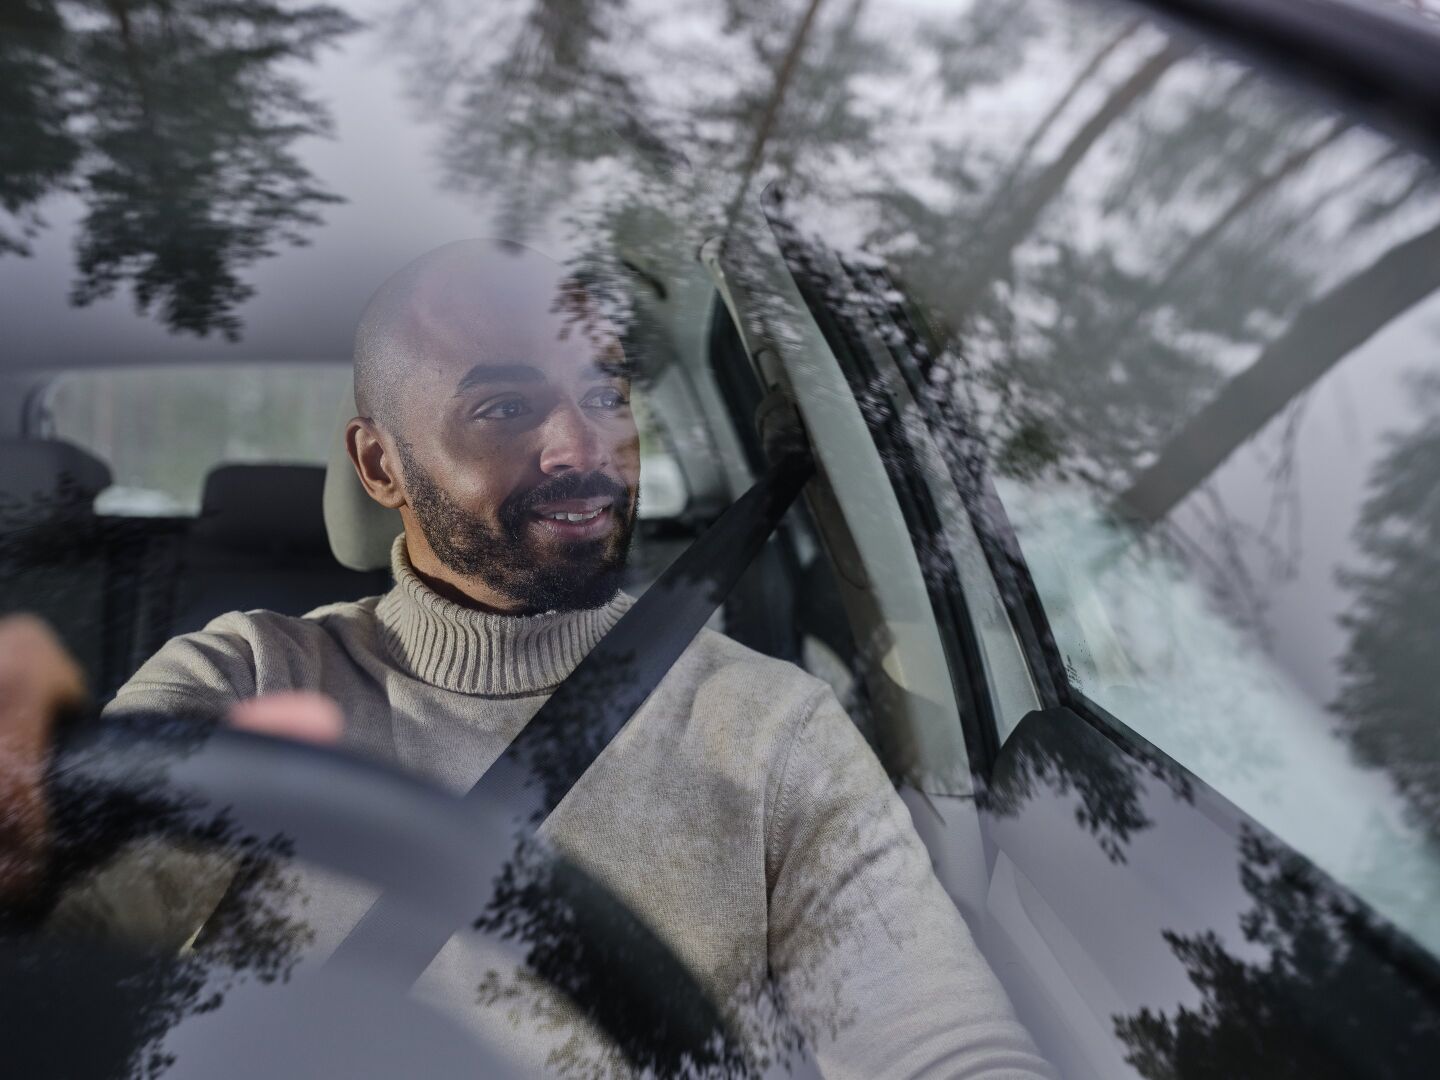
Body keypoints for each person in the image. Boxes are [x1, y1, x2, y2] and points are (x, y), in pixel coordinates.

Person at [0, 240, 1053, 1077]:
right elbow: (70, 913)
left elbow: (938, 1046)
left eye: (605, 396)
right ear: (380, 465)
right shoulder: (251, 678)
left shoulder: (773, 726)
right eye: (504, 408)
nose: (583, 450)